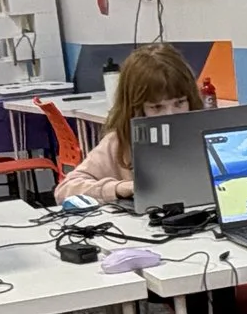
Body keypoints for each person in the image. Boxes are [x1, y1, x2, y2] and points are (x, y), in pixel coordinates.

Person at [54, 42, 202, 204]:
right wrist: (118, 188)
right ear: (136, 107)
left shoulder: (204, 133)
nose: (170, 115)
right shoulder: (120, 142)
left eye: (180, 103)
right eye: (156, 107)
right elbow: (65, 190)